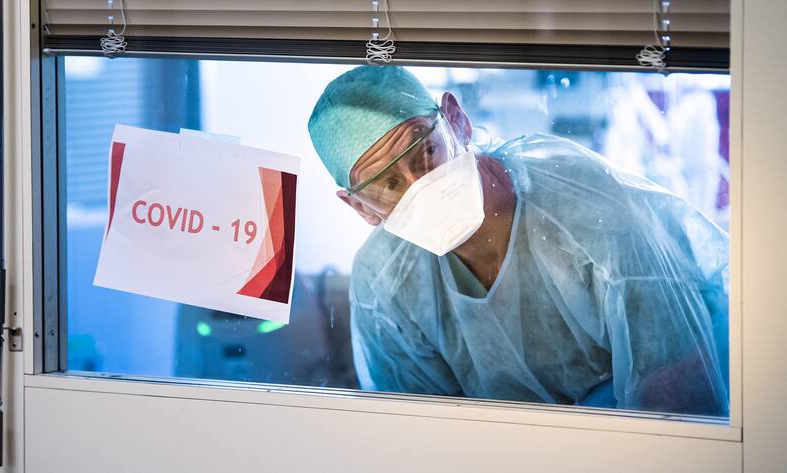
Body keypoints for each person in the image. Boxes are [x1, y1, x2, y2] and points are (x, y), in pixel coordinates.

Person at [307, 65, 729, 416]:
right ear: (361, 208)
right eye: (389, 186)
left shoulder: (590, 211)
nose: (422, 186)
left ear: (456, 120)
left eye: (426, 153)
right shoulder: (386, 285)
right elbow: (422, 435)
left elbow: (676, 395)